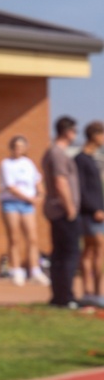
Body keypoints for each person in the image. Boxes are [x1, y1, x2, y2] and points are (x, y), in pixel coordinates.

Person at [0, 136, 50, 285]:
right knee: (14, 238)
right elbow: (11, 187)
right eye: (15, 146)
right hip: (11, 203)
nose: (18, 149)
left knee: (32, 238)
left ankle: (34, 270)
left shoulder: (28, 163)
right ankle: (16, 270)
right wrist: (30, 198)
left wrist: (40, 194)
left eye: (21, 146)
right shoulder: (6, 164)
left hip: (27, 205)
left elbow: (37, 181)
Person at [41, 116, 82, 308]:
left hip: (57, 210)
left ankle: (59, 296)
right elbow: (60, 181)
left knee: (59, 254)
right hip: (62, 211)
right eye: (74, 131)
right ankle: (65, 296)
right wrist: (70, 208)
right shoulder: (57, 153)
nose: (75, 135)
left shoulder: (54, 152)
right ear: (67, 132)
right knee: (69, 254)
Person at [75, 121, 104, 298]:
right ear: (94, 135)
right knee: (95, 249)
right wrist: (95, 209)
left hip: (98, 211)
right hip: (90, 213)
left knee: (93, 250)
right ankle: (92, 292)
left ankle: (94, 292)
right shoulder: (81, 159)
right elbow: (82, 188)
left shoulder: (94, 158)